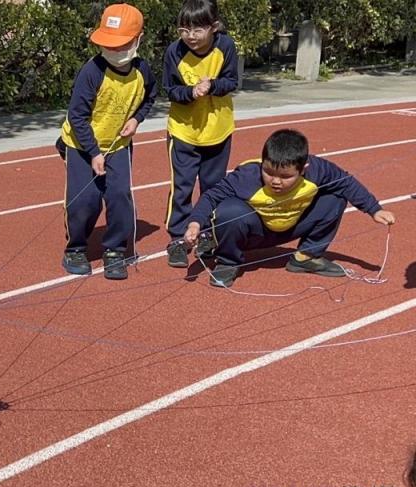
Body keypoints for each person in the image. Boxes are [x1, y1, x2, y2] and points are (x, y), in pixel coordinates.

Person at [182, 129, 396, 287]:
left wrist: (374, 209)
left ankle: (306, 257)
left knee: (335, 196)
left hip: (292, 226)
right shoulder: (246, 176)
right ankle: (228, 261)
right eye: (269, 172)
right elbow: (211, 196)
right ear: (263, 162)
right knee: (229, 210)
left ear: (303, 169)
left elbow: (347, 183)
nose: (276, 181)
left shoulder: (319, 170)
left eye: (285, 177)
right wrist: (194, 224)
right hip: (256, 232)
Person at [57, 3, 156, 280]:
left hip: (118, 146)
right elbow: (77, 116)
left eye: (121, 44)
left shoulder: (143, 71)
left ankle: (114, 249)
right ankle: (75, 247)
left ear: (138, 40)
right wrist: (93, 152)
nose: (114, 51)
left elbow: (150, 98)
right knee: (84, 200)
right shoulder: (91, 72)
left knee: (119, 196)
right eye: (108, 45)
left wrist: (136, 120)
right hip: (82, 144)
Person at [163, 0, 239, 267]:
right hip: (183, 131)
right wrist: (190, 92)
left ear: (214, 27)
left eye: (197, 30)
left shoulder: (226, 46)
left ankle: (207, 233)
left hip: (217, 130)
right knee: (181, 188)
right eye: (184, 29)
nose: (191, 36)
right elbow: (170, 89)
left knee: (213, 187)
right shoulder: (174, 51)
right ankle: (177, 239)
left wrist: (214, 85)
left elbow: (232, 81)